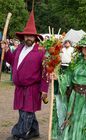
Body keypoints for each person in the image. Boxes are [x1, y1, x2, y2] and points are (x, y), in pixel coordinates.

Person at [1, 10, 49, 140]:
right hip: (20, 87)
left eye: (31, 36)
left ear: (35, 37)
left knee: (26, 112)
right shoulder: (19, 48)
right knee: (24, 110)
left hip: (32, 88)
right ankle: (34, 131)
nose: (28, 38)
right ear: (23, 37)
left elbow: (46, 72)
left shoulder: (41, 51)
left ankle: (18, 134)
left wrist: (44, 89)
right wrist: (6, 51)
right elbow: (12, 60)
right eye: (27, 35)